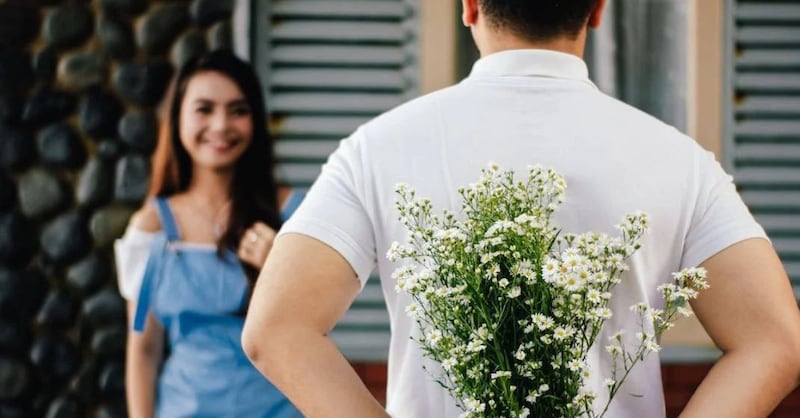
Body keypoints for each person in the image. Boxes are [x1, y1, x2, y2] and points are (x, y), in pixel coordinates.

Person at [240, 0, 800, 417]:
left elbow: (275, 329)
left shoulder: (377, 148)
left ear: (470, 7)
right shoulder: (681, 161)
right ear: (598, 10)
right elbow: (776, 340)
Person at [114, 50, 304, 418]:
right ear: (178, 118)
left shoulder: (293, 214)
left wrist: (277, 272)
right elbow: (144, 348)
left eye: (238, 110)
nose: (221, 126)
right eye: (204, 109)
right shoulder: (150, 229)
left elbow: (317, 330)